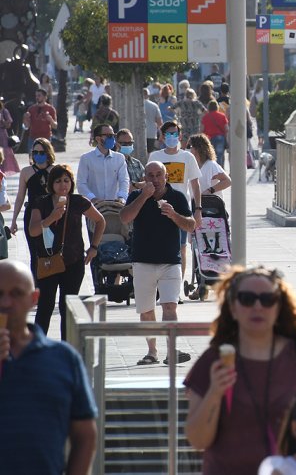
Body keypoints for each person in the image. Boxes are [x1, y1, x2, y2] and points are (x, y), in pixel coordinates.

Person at [183, 265, 296, 475]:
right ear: (233, 308)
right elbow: (197, 440)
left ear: (278, 308)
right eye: (247, 299)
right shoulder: (214, 360)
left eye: (267, 299)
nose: (258, 307)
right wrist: (215, 392)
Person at [0, 260, 98, 475]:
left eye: (16, 293)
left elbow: (85, 434)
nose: (6, 302)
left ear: (33, 299)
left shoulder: (63, 358)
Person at [120, 162, 195, 365]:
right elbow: (125, 217)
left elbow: (191, 225)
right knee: (146, 309)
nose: (154, 179)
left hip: (170, 261)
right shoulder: (137, 196)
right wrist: (144, 196)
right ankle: (152, 352)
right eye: (150, 175)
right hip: (142, 261)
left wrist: (173, 215)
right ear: (145, 177)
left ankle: (171, 351)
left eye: (158, 175)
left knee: (169, 306)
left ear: (166, 176)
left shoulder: (177, 197)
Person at [29, 165, 105, 340]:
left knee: (67, 307)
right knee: (45, 307)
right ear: (51, 184)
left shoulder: (79, 202)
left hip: (73, 261)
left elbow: (100, 221)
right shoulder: (41, 202)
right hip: (48, 262)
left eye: (66, 180)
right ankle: (37, 348)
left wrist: (94, 247)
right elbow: (33, 231)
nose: (63, 185)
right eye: (58, 181)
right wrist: (50, 219)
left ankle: (66, 349)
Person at [150, 121, 203, 281]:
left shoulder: (187, 157)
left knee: (181, 247)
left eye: (175, 134)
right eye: (168, 134)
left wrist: (198, 209)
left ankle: (177, 285)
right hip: (157, 207)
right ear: (162, 136)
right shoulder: (155, 156)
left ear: (180, 136)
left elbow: (195, 185)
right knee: (158, 245)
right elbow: (148, 180)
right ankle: (161, 282)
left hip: (181, 208)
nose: (172, 137)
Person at [10, 138, 56, 280]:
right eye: (35, 152)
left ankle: (51, 280)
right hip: (32, 215)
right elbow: (20, 197)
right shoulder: (27, 172)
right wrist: (13, 221)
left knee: (52, 251)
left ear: (48, 153)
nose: (38, 155)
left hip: (52, 214)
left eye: (41, 152)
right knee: (35, 252)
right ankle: (36, 283)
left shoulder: (55, 170)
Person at [77, 124, 130, 205]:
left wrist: (122, 197)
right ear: (98, 138)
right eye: (109, 136)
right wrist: (92, 198)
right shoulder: (86, 158)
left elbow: (124, 180)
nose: (112, 139)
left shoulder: (119, 158)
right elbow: (81, 183)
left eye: (113, 135)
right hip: (94, 207)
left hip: (115, 206)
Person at [201, 100, 229, 167]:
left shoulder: (205, 117)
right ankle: (220, 171)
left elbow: (201, 129)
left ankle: (213, 171)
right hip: (220, 138)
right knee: (220, 156)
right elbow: (227, 129)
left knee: (210, 156)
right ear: (217, 107)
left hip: (209, 139)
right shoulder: (222, 116)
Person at [0, 100, 20, 173]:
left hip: (2, 134)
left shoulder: (4, 111)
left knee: (5, 153)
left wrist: (2, 120)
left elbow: (8, 124)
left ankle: (3, 170)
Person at [143, 88, 163, 154]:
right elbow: (159, 122)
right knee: (149, 152)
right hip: (151, 133)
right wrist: (161, 134)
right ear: (148, 95)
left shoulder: (134, 105)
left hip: (138, 132)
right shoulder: (154, 106)